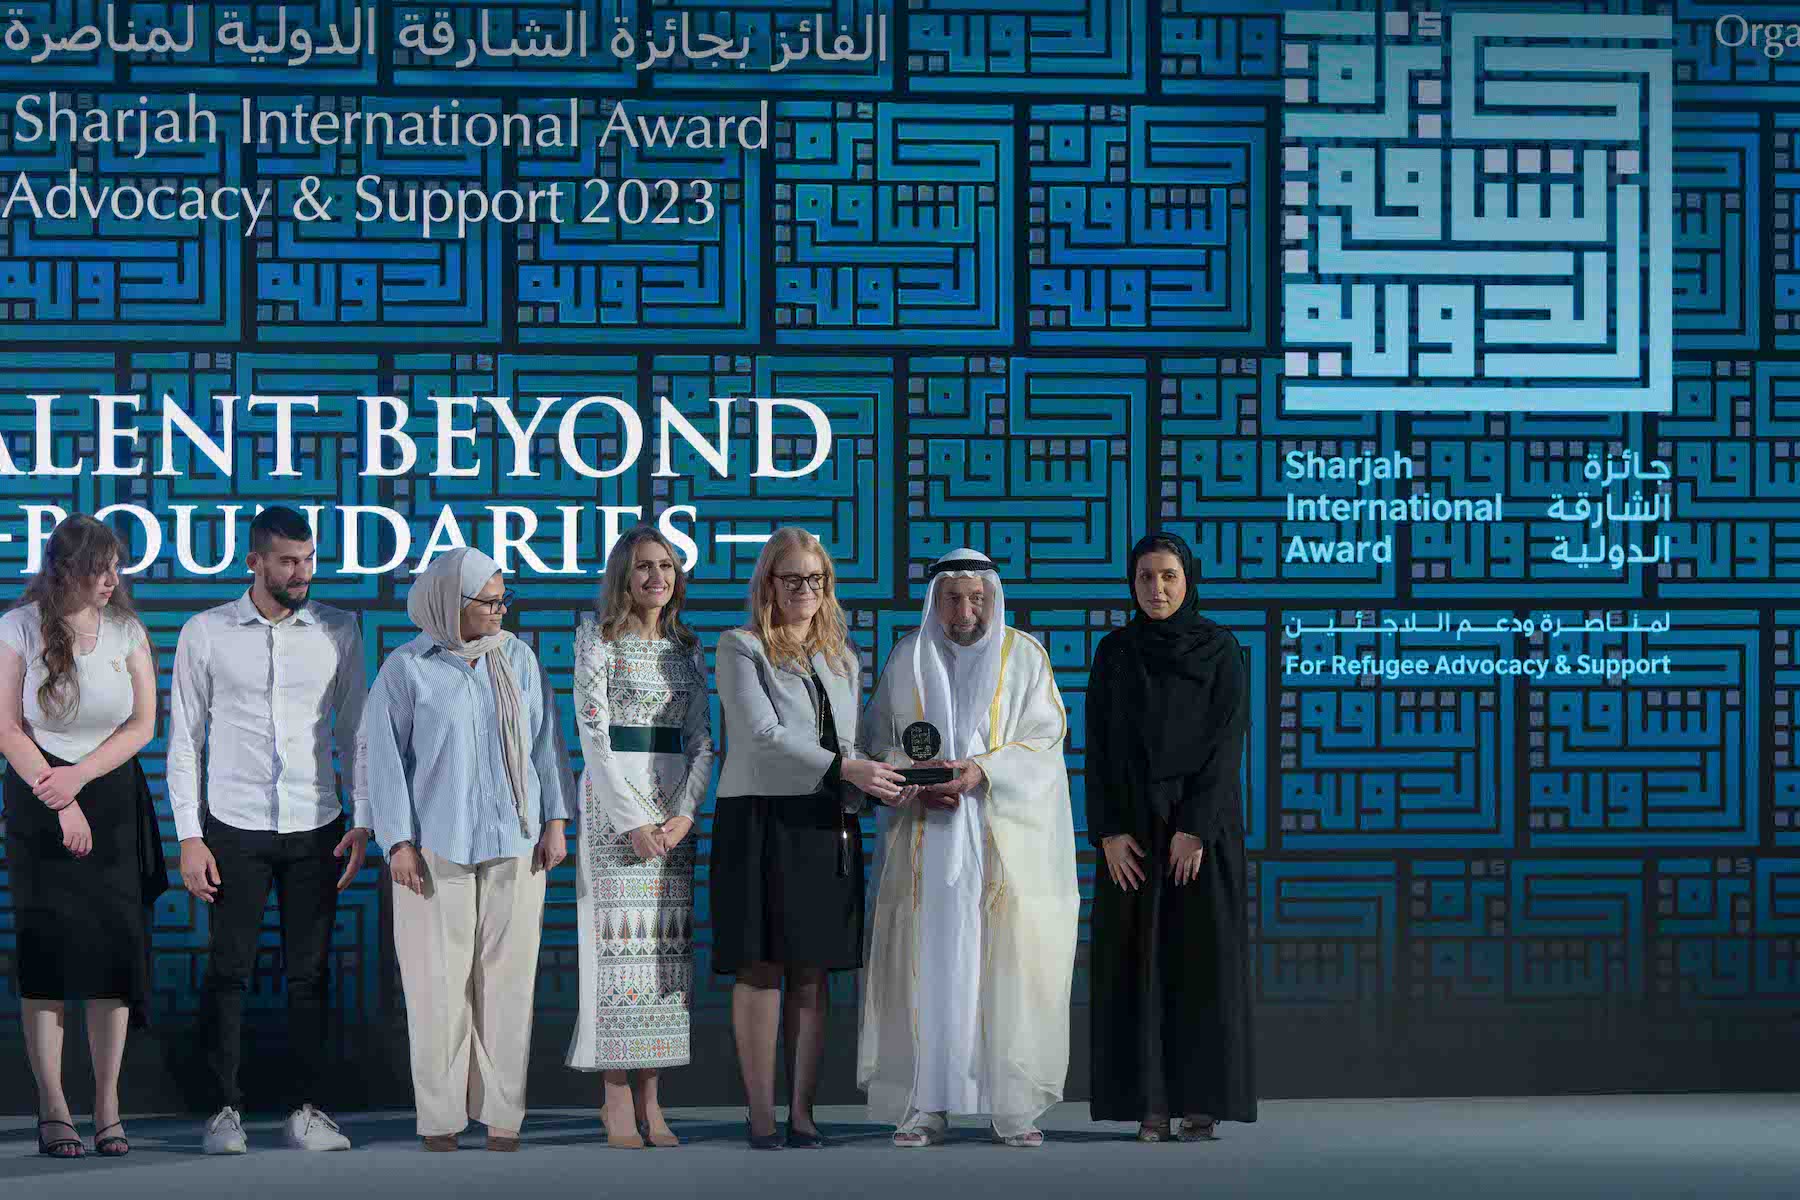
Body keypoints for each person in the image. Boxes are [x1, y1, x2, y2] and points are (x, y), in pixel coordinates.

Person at [857, 548, 1078, 1149]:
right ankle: (926, 1106)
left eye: (977, 598)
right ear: (935, 601)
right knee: (930, 970)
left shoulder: (1025, 656)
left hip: (998, 840)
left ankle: (1011, 1107)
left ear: (992, 598)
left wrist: (982, 771)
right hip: (926, 841)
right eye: (952, 598)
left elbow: (1046, 742)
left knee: (1005, 968)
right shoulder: (908, 658)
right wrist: (915, 781)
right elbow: (878, 743)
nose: (965, 611)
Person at [166, 506, 370, 1154]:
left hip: (318, 823)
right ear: (254, 561)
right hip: (233, 824)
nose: (301, 572)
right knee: (229, 972)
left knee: (310, 974)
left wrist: (363, 818)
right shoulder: (205, 632)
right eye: (287, 561)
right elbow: (184, 739)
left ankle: (307, 1110)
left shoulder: (341, 629)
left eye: (308, 560)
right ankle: (223, 1111)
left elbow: (355, 733)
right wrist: (189, 835)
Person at [360, 548, 575, 1153]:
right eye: (489, 601)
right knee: (436, 986)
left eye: (504, 600)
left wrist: (556, 820)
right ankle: (441, 1118)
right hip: (435, 845)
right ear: (450, 602)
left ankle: (504, 1115)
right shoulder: (407, 668)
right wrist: (397, 841)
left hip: (517, 840)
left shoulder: (518, 658)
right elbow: (382, 759)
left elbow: (545, 743)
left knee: (510, 985)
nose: (501, 610)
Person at [708, 528, 904, 1149]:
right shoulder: (740, 646)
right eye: (792, 578)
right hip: (760, 819)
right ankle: (761, 1116)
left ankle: (802, 1114)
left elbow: (852, 742)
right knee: (761, 967)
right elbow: (761, 734)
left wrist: (890, 775)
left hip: (827, 822)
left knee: (813, 972)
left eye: (815, 579)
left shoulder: (841, 657)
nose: (805, 589)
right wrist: (847, 768)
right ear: (768, 583)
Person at [0, 514, 163, 1160]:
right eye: (100, 569)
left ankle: (107, 1106)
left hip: (112, 793)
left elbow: (144, 723)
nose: (111, 580)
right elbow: (7, 728)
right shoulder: (18, 626)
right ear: (65, 570)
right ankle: (53, 1107)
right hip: (37, 791)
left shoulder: (126, 630)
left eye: (115, 568)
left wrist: (82, 779)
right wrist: (59, 795)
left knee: (112, 957)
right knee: (47, 954)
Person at [1086, 532, 1256, 1142]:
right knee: (1137, 967)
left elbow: (1227, 745)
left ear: (1188, 580)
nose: (1156, 589)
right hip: (1131, 835)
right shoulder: (1115, 652)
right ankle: (1150, 1105)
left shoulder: (1220, 650)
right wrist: (1108, 833)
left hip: (1202, 835)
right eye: (1145, 577)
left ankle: (1201, 1103)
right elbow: (1099, 750)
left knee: (1200, 966)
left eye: (1168, 577)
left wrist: (1194, 827)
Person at [564, 526, 715, 1149]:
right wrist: (632, 820)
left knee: (664, 958)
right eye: (645, 566)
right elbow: (593, 738)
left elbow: (702, 740)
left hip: (673, 815)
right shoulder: (596, 639)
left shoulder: (689, 647)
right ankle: (616, 1096)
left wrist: (684, 815)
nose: (658, 577)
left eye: (667, 566)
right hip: (613, 811)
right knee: (614, 954)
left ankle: (654, 1099)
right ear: (624, 577)